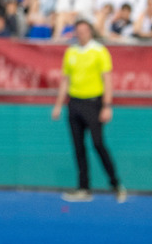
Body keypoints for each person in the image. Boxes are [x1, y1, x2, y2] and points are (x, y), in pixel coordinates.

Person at [51, 20, 126, 202]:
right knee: (78, 147)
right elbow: (65, 80)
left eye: (85, 31)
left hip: (94, 103)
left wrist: (107, 105)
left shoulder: (99, 51)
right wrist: (59, 105)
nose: (82, 34)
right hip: (74, 103)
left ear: (90, 32)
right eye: (79, 31)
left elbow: (107, 79)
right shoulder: (71, 52)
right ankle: (84, 188)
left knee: (98, 143)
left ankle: (116, 184)